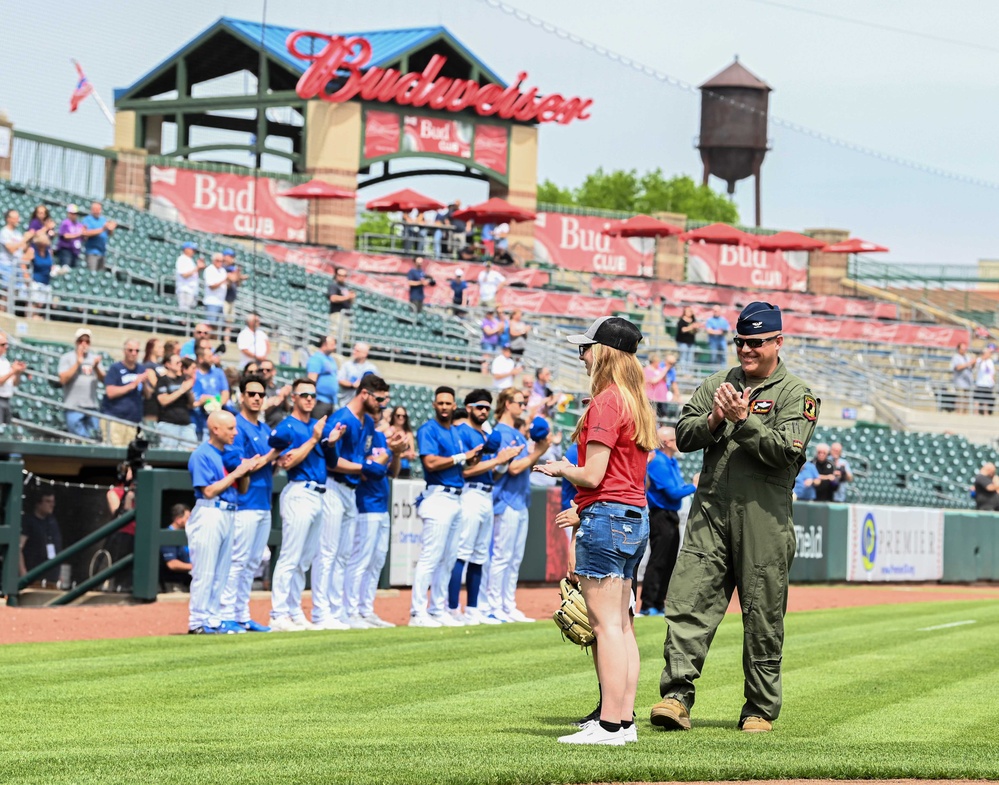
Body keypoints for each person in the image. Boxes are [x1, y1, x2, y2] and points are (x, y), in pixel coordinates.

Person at [650, 301, 818, 735]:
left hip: (764, 518)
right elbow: (683, 434)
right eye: (740, 341)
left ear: (778, 342)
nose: (746, 350)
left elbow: (786, 452)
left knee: (763, 615)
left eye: (755, 343)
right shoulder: (718, 384)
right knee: (689, 604)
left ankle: (759, 708)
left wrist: (743, 422)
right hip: (710, 513)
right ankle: (675, 697)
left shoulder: (796, 394)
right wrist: (716, 416)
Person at [533, 315, 656, 746]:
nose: (581, 356)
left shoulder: (606, 402)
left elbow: (593, 474)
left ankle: (609, 726)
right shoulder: (636, 400)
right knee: (620, 625)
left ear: (602, 352)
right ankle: (622, 722)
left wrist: (559, 467)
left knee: (606, 627)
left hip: (606, 516)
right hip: (633, 517)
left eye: (585, 348)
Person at [311, 375, 391, 630]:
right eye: (379, 399)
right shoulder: (342, 418)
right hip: (333, 487)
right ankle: (320, 612)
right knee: (328, 552)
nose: (382, 404)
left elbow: (364, 460)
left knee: (344, 554)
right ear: (365, 394)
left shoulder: (367, 422)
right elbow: (332, 461)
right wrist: (364, 467)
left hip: (351, 491)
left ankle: (338, 610)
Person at [266, 379, 343, 631]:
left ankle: (294, 609)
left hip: (320, 493)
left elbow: (331, 462)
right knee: (290, 555)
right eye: (304, 395)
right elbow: (286, 462)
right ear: (294, 398)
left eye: (313, 395)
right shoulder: (288, 426)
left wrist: (330, 441)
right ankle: (278, 613)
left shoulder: (316, 425)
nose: (310, 399)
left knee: (305, 559)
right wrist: (313, 440)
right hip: (299, 490)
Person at [445, 389, 522, 625]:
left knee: (480, 556)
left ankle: (472, 607)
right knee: (462, 553)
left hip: (487, 494)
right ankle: (452, 607)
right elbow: (466, 471)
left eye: (487, 407)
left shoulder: (484, 436)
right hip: (468, 494)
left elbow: (494, 476)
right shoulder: (462, 432)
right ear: (468, 407)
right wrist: (497, 460)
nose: (484, 411)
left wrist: (503, 462)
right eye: (479, 407)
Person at [409, 386, 482, 626]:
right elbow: (430, 463)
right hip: (438, 496)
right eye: (440, 403)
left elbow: (464, 463)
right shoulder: (428, 429)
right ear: (434, 405)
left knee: (449, 558)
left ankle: (437, 608)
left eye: (447, 403)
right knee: (431, 556)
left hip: (457, 497)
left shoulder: (456, 432)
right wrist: (462, 457)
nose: (443, 407)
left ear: (454, 405)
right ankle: (417, 611)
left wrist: (472, 457)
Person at [185, 410, 257, 634]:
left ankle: (214, 619)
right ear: (215, 429)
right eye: (230, 428)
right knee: (205, 571)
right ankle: (197, 621)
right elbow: (208, 491)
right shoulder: (202, 454)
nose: (235, 433)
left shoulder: (229, 453)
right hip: (210, 511)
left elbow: (243, 490)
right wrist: (237, 473)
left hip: (230, 512)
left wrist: (244, 472)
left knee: (222, 571)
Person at [484, 388, 550, 623]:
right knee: (502, 556)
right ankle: (493, 605)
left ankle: (507, 604)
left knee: (514, 558)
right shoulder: (500, 433)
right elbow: (512, 467)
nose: (523, 406)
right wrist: (538, 454)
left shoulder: (516, 433)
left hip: (520, 499)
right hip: (506, 499)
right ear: (506, 404)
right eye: (520, 403)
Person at [220, 374, 280, 632]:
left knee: (253, 562)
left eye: (260, 394)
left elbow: (269, 465)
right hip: (244, 501)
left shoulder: (265, 430)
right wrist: (272, 455)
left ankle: (242, 614)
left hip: (264, 501)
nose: (256, 398)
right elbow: (238, 465)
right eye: (252, 394)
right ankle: (225, 614)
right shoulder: (237, 426)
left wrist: (275, 460)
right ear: (242, 396)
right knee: (238, 560)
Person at [640, 426, 697, 617]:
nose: (678, 442)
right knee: (658, 560)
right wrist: (694, 486)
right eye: (675, 439)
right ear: (666, 442)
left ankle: (659, 603)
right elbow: (673, 493)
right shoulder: (659, 462)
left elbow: (677, 490)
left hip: (670, 516)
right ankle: (648, 605)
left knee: (669, 561)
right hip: (660, 515)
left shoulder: (670, 461)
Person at [101, 340, 150, 447]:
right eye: (130, 350)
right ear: (124, 351)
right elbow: (110, 392)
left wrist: (145, 383)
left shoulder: (141, 369)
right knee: (114, 452)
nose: (134, 353)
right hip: (115, 419)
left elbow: (147, 395)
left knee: (129, 456)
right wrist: (133, 384)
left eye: (137, 351)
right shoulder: (115, 368)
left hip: (133, 421)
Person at [58, 328, 104, 439]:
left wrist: (97, 367)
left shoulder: (94, 358)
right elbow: (62, 380)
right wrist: (77, 364)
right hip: (74, 406)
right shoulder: (67, 358)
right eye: (81, 341)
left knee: (93, 438)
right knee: (78, 439)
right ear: (76, 342)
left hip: (91, 406)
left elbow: (104, 380)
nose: (84, 344)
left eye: (87, 341)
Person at [19, 492, 62, 586]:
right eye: (48, 501)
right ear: (38, 503)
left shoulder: (52, 521)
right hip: (33, 575)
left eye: (53, 502)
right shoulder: (28, 521)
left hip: (52, 577)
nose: (52, 505)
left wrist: (59, 574)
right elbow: (19, 548)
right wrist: (23, 573)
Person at [155, 355, 197, 449]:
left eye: (180, 362)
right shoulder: (163, 380)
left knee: (192, 451)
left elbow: (191, 404)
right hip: (169, 424)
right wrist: (181, 390)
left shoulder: (183, 380)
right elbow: (163, 401)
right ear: (168, 364)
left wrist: (189, 392)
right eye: (177, 363)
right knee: (168, 454)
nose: (180, 365)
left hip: (186, 423)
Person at [192, 344, 230, 442]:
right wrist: (202, 401)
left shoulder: (218, 372)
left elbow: (225, 393)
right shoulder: (193, 374)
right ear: (200, 359)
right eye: (209, 357)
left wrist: (216, 404)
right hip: (197, 420)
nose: (212, 359)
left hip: (216, 422)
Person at [160, 504, 193, 591]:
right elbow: (172, 564)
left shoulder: (187, 533)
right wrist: (195, 567)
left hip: (189, 580)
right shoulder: (168, 535)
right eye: (187, 518)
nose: (190, 521)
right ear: (178, 520)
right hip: (174, 582)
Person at [306, 335, 339, 420]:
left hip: (331, 401)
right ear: (324, 344)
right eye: (332, 344)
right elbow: (311, 380)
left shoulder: (331, 359)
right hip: (320, 401)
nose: (334, 346)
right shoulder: (316, 359)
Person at [81, 201, 116, 272]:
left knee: (100, 276)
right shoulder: (87, 219)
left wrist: (111, 228)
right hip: (92, 252)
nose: (97, 211)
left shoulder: (103, 219)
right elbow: (85, 233)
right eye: (95, 209)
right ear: (92, 210)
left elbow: (109, 233)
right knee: (92, 273)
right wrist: (102, 229)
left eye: (99, 209)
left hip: (102, 252)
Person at [0, 331, 27, 424]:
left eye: (6, 344)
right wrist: (13, 371)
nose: (5, 347)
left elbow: (14, 383)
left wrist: (18, 372)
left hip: (6, 399)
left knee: (6, 431)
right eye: (3, 344)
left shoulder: (5, 361)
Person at [386, 405, 417, 478]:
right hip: (390, 466)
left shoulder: (408, 434)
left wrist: (400, 455)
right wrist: (404, 455)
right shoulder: (388, 430)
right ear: (394, 416)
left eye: (404, 416)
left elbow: (412, 453)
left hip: (404, 469)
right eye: (398, 415)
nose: (401, 418)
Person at [260, 360, 292, 428]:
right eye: (261, 370)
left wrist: (285, 397)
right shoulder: (259, 390)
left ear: (273, 372)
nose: (264, 372)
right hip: (268, 427)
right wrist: (279, 398)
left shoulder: (278, 387)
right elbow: (262, 411)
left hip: (282, 425)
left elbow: (287, 409)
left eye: (267, 370)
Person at [175, 242, 205, 310]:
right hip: (185, 290)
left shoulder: (190, 260)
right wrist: (197, 267)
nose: (193, 251)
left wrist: (199, 268)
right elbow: (184, 275)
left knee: (190, 314)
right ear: (186, 249)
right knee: (184, 312)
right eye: (192, 249)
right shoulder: (182, 259)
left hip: (192, 290)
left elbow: (193, 275)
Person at [55, 204, 85, 272]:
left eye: (75, 213)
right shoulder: (65, 223)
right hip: (66, 249)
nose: (74, 215)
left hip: (75, 251)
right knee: (65, 268)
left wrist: (84, 233)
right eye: (72, 213)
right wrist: (79, 234)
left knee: (73, 271)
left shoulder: (79, 225)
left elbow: (82, 238)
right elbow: (65, 236)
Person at [327, 266, 355, 340]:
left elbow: (350, 302)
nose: (342, 277)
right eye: (340, 275)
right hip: (337, 314)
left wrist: (352, 297)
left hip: (346, 315)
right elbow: (333, 298)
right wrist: (347, 297)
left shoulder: (346, 287)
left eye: (344, 275)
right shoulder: (334, 286)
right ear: (336, 275)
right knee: (335, 337)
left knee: (344, 338)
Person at [203, 253, 229, 328]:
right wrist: (224, 280)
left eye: (222, 261)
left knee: (218, 327)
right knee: (211, 325)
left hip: (221, 302)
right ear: (213, 260)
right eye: (218, 260)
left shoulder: (222, 270)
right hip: (211, 302)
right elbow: (212, 286)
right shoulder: (209, 270)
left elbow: (226, 283)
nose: (220, 262)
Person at [950, 342, 975, 415]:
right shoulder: (956, 357)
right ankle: (958, 413)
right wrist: (969, 363)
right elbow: (958, 367)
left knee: (966, 398)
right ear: (958, 349)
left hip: (968, 381)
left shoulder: (967, 357)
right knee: (960, 397)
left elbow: (971, 367)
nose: (964, 350)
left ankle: (964, 413)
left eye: (965, 349)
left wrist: (973, 363)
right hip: (959, 381)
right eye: (962, 349)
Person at [644, 353, 670, 419]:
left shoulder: (660, 369)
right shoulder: (646, 370)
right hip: (652, 397)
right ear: (654, 361)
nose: (659, 363)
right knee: (653, 415)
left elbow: (665, 380)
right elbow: (654, 380)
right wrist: (665, 370)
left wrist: (664, 372)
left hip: (662, 397)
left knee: (663, 416)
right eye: (658, 361)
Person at [973, 347, 995, 416]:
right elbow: (976, 368)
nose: (989, 354)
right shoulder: (979, 360)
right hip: (980, 383)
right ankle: (976, 412)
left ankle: (986, 413)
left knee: (987, 399)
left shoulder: (990, 362)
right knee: (977, 399)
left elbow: (992, 372)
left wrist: (992, 381)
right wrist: (982, 359)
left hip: (988, 384)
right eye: (988, 353)